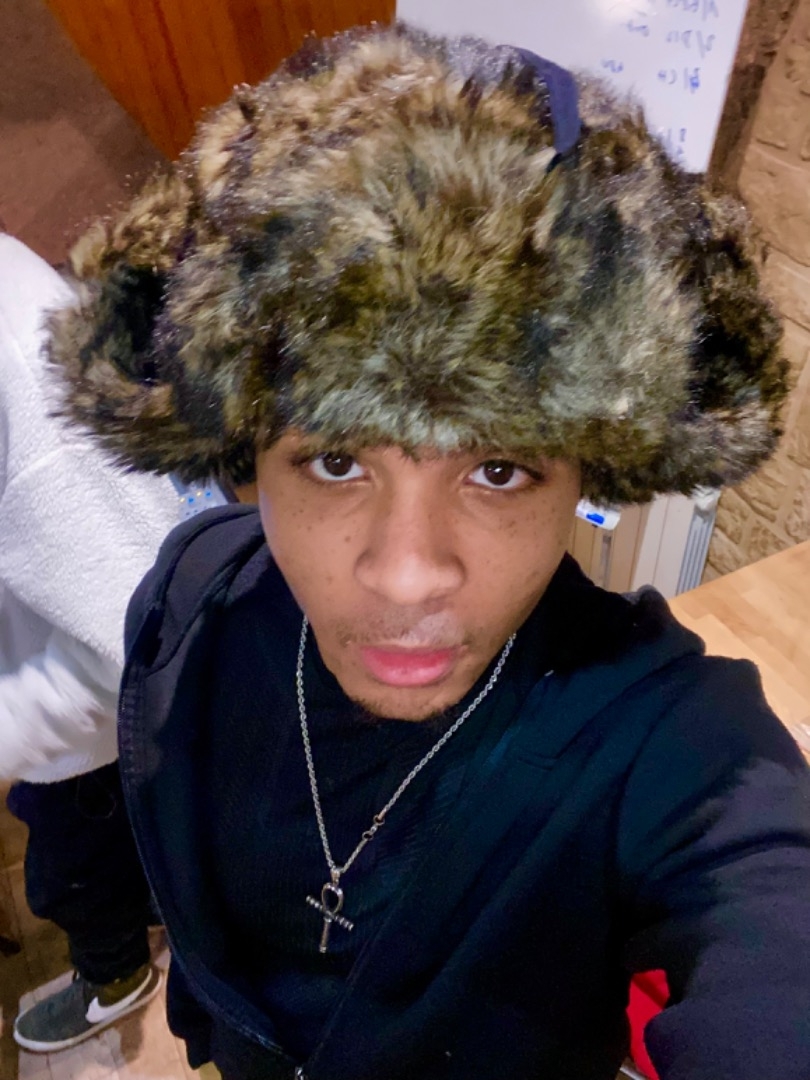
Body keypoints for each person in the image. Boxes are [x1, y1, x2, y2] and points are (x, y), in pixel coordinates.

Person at [46, 24, 810, 1080]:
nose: (407, 576)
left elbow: (766, 929)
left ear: (587, 470)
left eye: (498, 469)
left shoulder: (671, 747)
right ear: (243, 455)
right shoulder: (189, 601)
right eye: (336, 462)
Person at [0, 233, 228, 1052]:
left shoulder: (16, 353)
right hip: (85, 706)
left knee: (74, 877)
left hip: (90, 733)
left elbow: (130, 648)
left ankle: (116, 977)